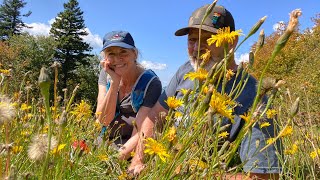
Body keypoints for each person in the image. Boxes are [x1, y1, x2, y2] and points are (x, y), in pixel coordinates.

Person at [128, 4, 281, 179]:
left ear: (231, 42)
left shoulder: (254, 96)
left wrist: (196, 174)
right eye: (192, 40)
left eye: (208, 39)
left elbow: (265, 176)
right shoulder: (186, 71)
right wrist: (138, 160)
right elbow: (155, 115)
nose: (196, 49)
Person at [96, 30, 162, 159]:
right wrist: (115, 82)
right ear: (105, 57)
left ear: (135, 54)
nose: (117, 59)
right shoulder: (106, 74)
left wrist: (113, 160)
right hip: (102, 138)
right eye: (111, 54)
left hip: (129, 144)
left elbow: (141, 131)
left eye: (123, 52)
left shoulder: (150, 83)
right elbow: (102, 120)